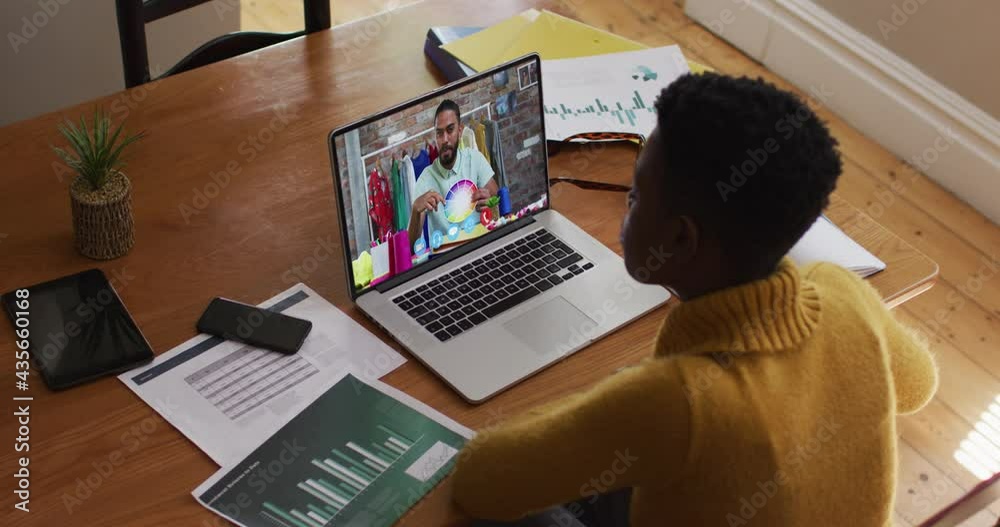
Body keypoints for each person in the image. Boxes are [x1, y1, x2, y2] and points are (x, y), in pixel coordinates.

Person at [449, 73, 939, 526]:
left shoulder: (675, 401)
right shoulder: (844, 292)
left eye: (635, 197)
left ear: (681, 240)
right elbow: (919, 385)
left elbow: (479, 479)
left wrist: (610, 402)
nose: (628, 206)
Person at [409, 99, 497, 247]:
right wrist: (415, 210)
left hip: (480, 245)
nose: (445, 139)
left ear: (460, 131)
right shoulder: (425, 179)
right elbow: (411, 245)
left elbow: (496, 194)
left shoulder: (474, 158)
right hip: (445, 258)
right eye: (439, 133)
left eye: (450, 130)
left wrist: (490, 200)